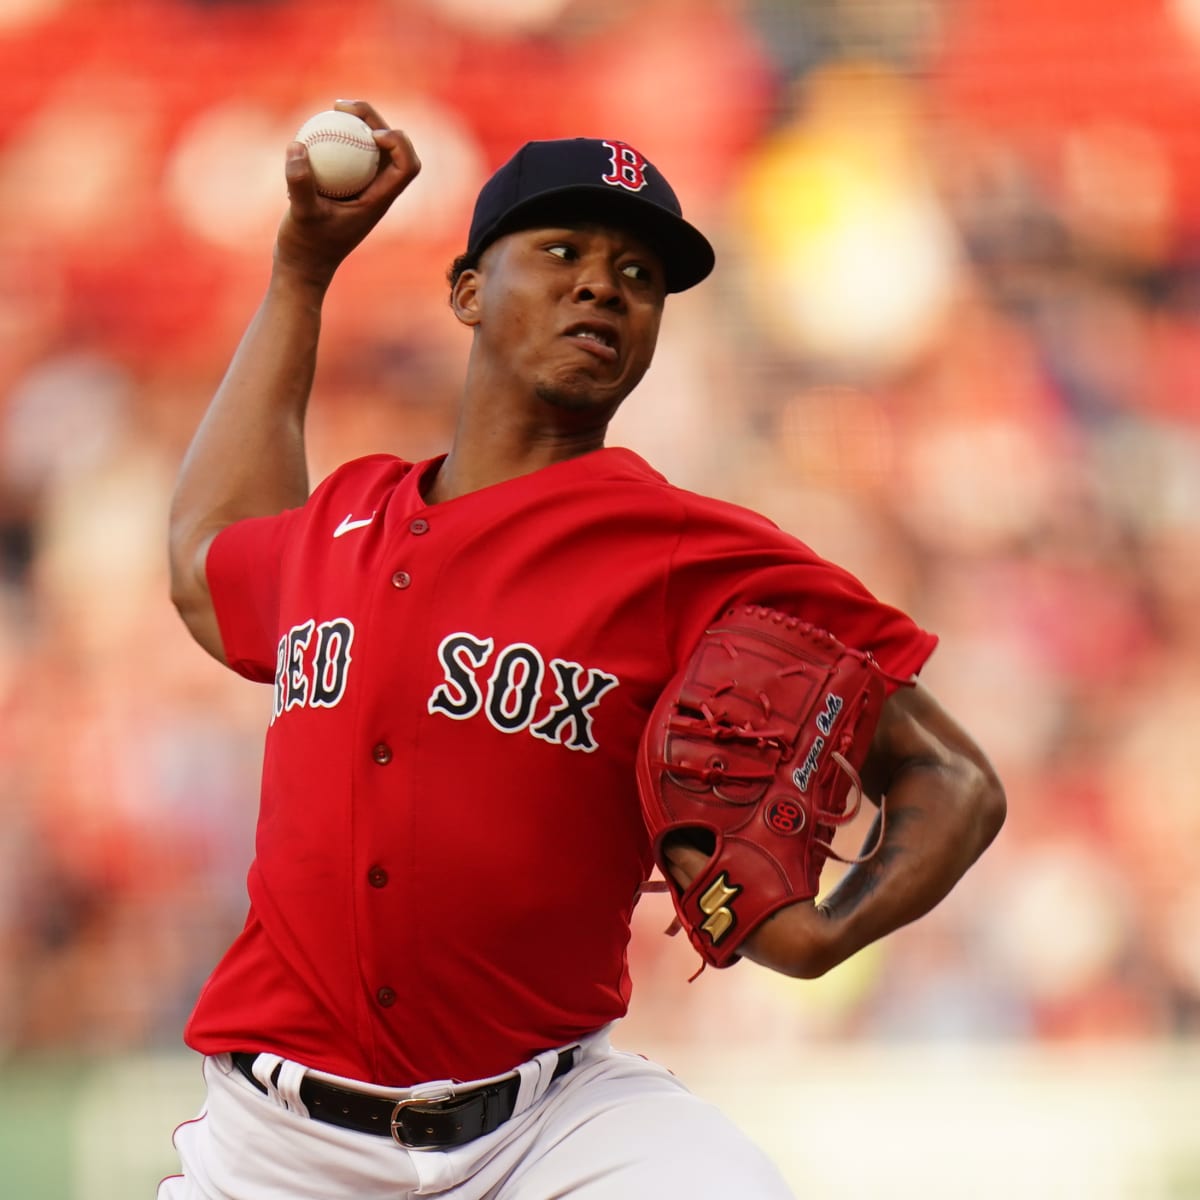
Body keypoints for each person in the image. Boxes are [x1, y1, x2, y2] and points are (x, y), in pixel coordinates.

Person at [161, 100, 1006, 1200]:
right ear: (468, 292)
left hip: (552, 1126)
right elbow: (202, 562)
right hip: (274, 1149)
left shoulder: (693, 553)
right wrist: (300, 273)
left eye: (640, 276)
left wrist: (823, 937)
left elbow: (955, 779)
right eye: (562, 252)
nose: (605, 285)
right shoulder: (344, 518)